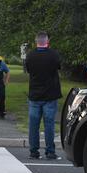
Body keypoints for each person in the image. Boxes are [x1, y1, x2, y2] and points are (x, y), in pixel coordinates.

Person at [25, 32, 62, 160]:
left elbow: (28, 70)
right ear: (47, 42)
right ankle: (50, 151)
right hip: (50, 94)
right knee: (49, 124)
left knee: (33, 125)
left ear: (36, 42)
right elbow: (58, 66)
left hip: (35, 94)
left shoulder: (30, 55)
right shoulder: (53, 55)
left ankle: (34, 152)